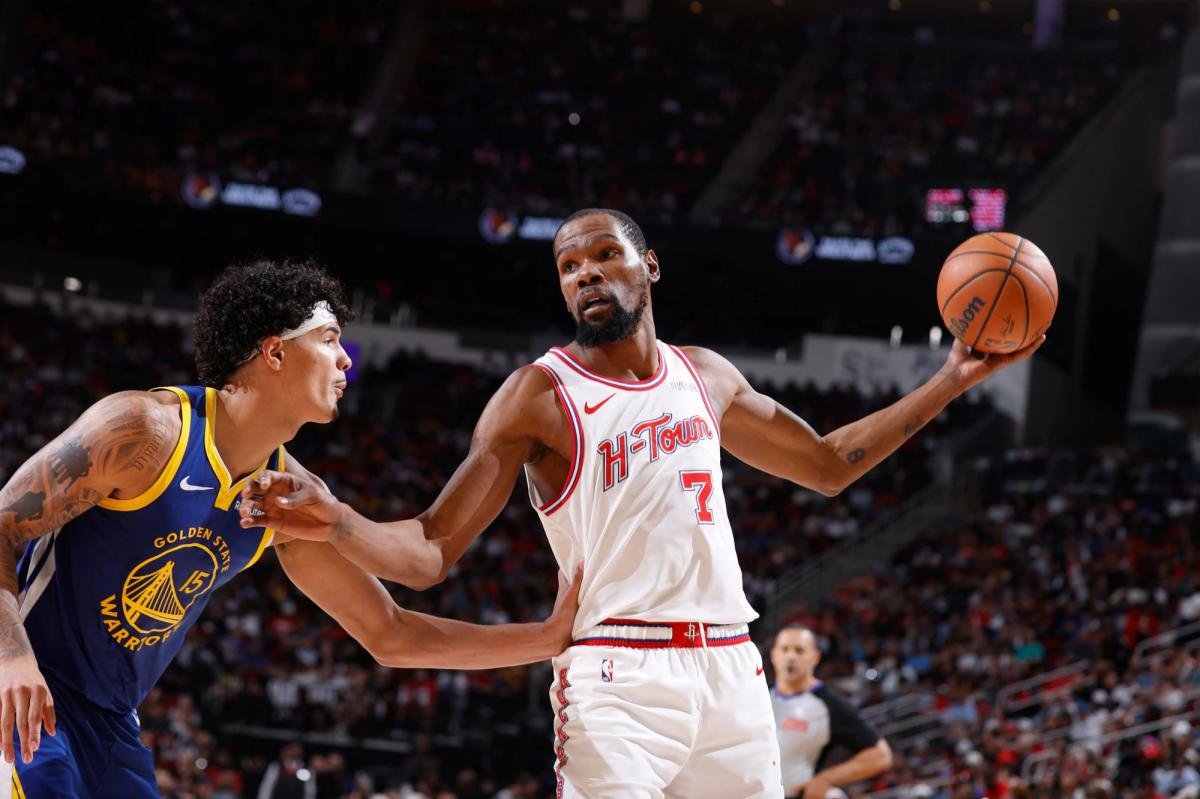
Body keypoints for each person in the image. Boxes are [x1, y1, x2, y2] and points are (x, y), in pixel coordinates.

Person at [241, 209, 1044, 798]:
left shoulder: (708, 375)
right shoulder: (537, 396)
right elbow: (428, 552)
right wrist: (340, 520)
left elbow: (830, 466)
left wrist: (950, 379)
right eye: (568, 265)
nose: (585, 273)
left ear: (649, 266)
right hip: (617, 675)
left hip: (731, 668)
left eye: (604, 254)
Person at [0, 260, 581, 799]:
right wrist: (13, 659)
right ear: (275, 352)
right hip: (24, 690)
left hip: (109, 724)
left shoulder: (286, 498)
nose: (347, 359)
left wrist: (546, 638)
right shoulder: (144, 432)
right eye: (329, 340)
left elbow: (391, 634)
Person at [769, 626, 892, 798]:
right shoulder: (759, 695)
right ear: (774, 655)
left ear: (815, 657)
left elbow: (880, 756)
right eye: (784, 649)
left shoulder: (829, 704)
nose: (791, 657)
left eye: (799, 650)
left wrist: (826, 779)